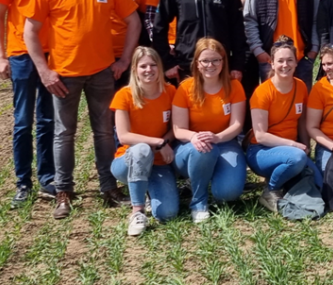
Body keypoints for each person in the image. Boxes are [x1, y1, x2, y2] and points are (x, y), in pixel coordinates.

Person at [22, 0, 140, 219]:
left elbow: (133, 21)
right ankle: (63, 191)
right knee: (64, 133)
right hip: (63, 75)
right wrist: (44, 70)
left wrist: (125, 59)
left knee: (104, 132)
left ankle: (109, 188)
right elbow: (30, 31)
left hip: (102, 72)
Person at [0, 0, 67, 206]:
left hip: (53, 55)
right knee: (23, 122)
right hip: (21, 54)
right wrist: (0, 56)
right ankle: (23, 182)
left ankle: (47, 178)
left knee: (48, 120)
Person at [172, 38, 247, 223]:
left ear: (223, 62)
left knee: (228, 192)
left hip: (224, 142)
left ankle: (207, 177)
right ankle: (198, 202)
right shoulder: (185, 88)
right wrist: (194, 137)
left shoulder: (234, 86)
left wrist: (217, 137)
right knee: (204, 150)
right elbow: (178, 130)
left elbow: (237, 125)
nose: (210, 65)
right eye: (205, 60)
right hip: (192, 147)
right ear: (197, 63)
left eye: (215, 60)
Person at [246, 36, 321, 214]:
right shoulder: (262, 92)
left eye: (289, 60)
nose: (285, 65)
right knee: (296, 159)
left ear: (296, 63)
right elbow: (261, 135)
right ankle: (271, 189)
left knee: (320, 184)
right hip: (262, 150)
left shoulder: (300, 86)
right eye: (280, 61)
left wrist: (306, 146)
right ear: (272, 63)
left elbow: (301, 120)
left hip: (293, 150)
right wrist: (294, 145)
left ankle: (284, 177)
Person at [110, 46, 179, 236]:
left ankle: (147, 189)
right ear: (135, 69)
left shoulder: (170, 91)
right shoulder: (124, 95)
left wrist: (164, 141)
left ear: (160, 67)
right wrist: (158, 142)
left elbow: (175, 128)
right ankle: (137, 211)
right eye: (143, 66)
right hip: (128, 160)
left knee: (168, 213)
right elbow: (124, 136)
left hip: (158, 162)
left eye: (153, 65)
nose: (148, 70)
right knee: (142, 150)